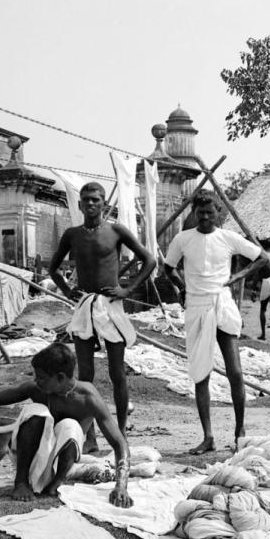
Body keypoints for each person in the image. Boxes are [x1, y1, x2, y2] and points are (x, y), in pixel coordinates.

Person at [0, 342, 132, 507]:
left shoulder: (88, 398)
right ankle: (21, 482)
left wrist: (121, 486)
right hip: (30, 457)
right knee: (36, 411)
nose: (36, 381)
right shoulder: (38, 390)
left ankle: (57, 482)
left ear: (60, 377)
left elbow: (119, 443)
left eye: (42, 377)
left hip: (61, 462)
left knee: (71, 425)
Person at [49, 182, 156, 452]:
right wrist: (67, 290)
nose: (91, 204)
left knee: (117, 372)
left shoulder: (116, 230)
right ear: (80, 204)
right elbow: (53, 268)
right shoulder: (72, 235)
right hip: (85, 306)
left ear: (104, 204)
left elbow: (149, 259)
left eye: (96, 199)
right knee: (85, 375)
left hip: (110, 306)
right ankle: (90, 437)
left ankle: (120, 433)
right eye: (86, 200)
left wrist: (128, 289)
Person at [163, 191, 268, 454]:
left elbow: (263, 258)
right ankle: (208, 436)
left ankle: (239, 430)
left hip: (222, 304)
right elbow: (168, 268)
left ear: (218, 212)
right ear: (194, 213)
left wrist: (237, 277)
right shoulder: (183, 239)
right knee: (201, 374)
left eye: (211, 212)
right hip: (197, 306)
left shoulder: (228, 238)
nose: (206, 217)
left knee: (235, 372)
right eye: (201, 213)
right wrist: (182, 287)